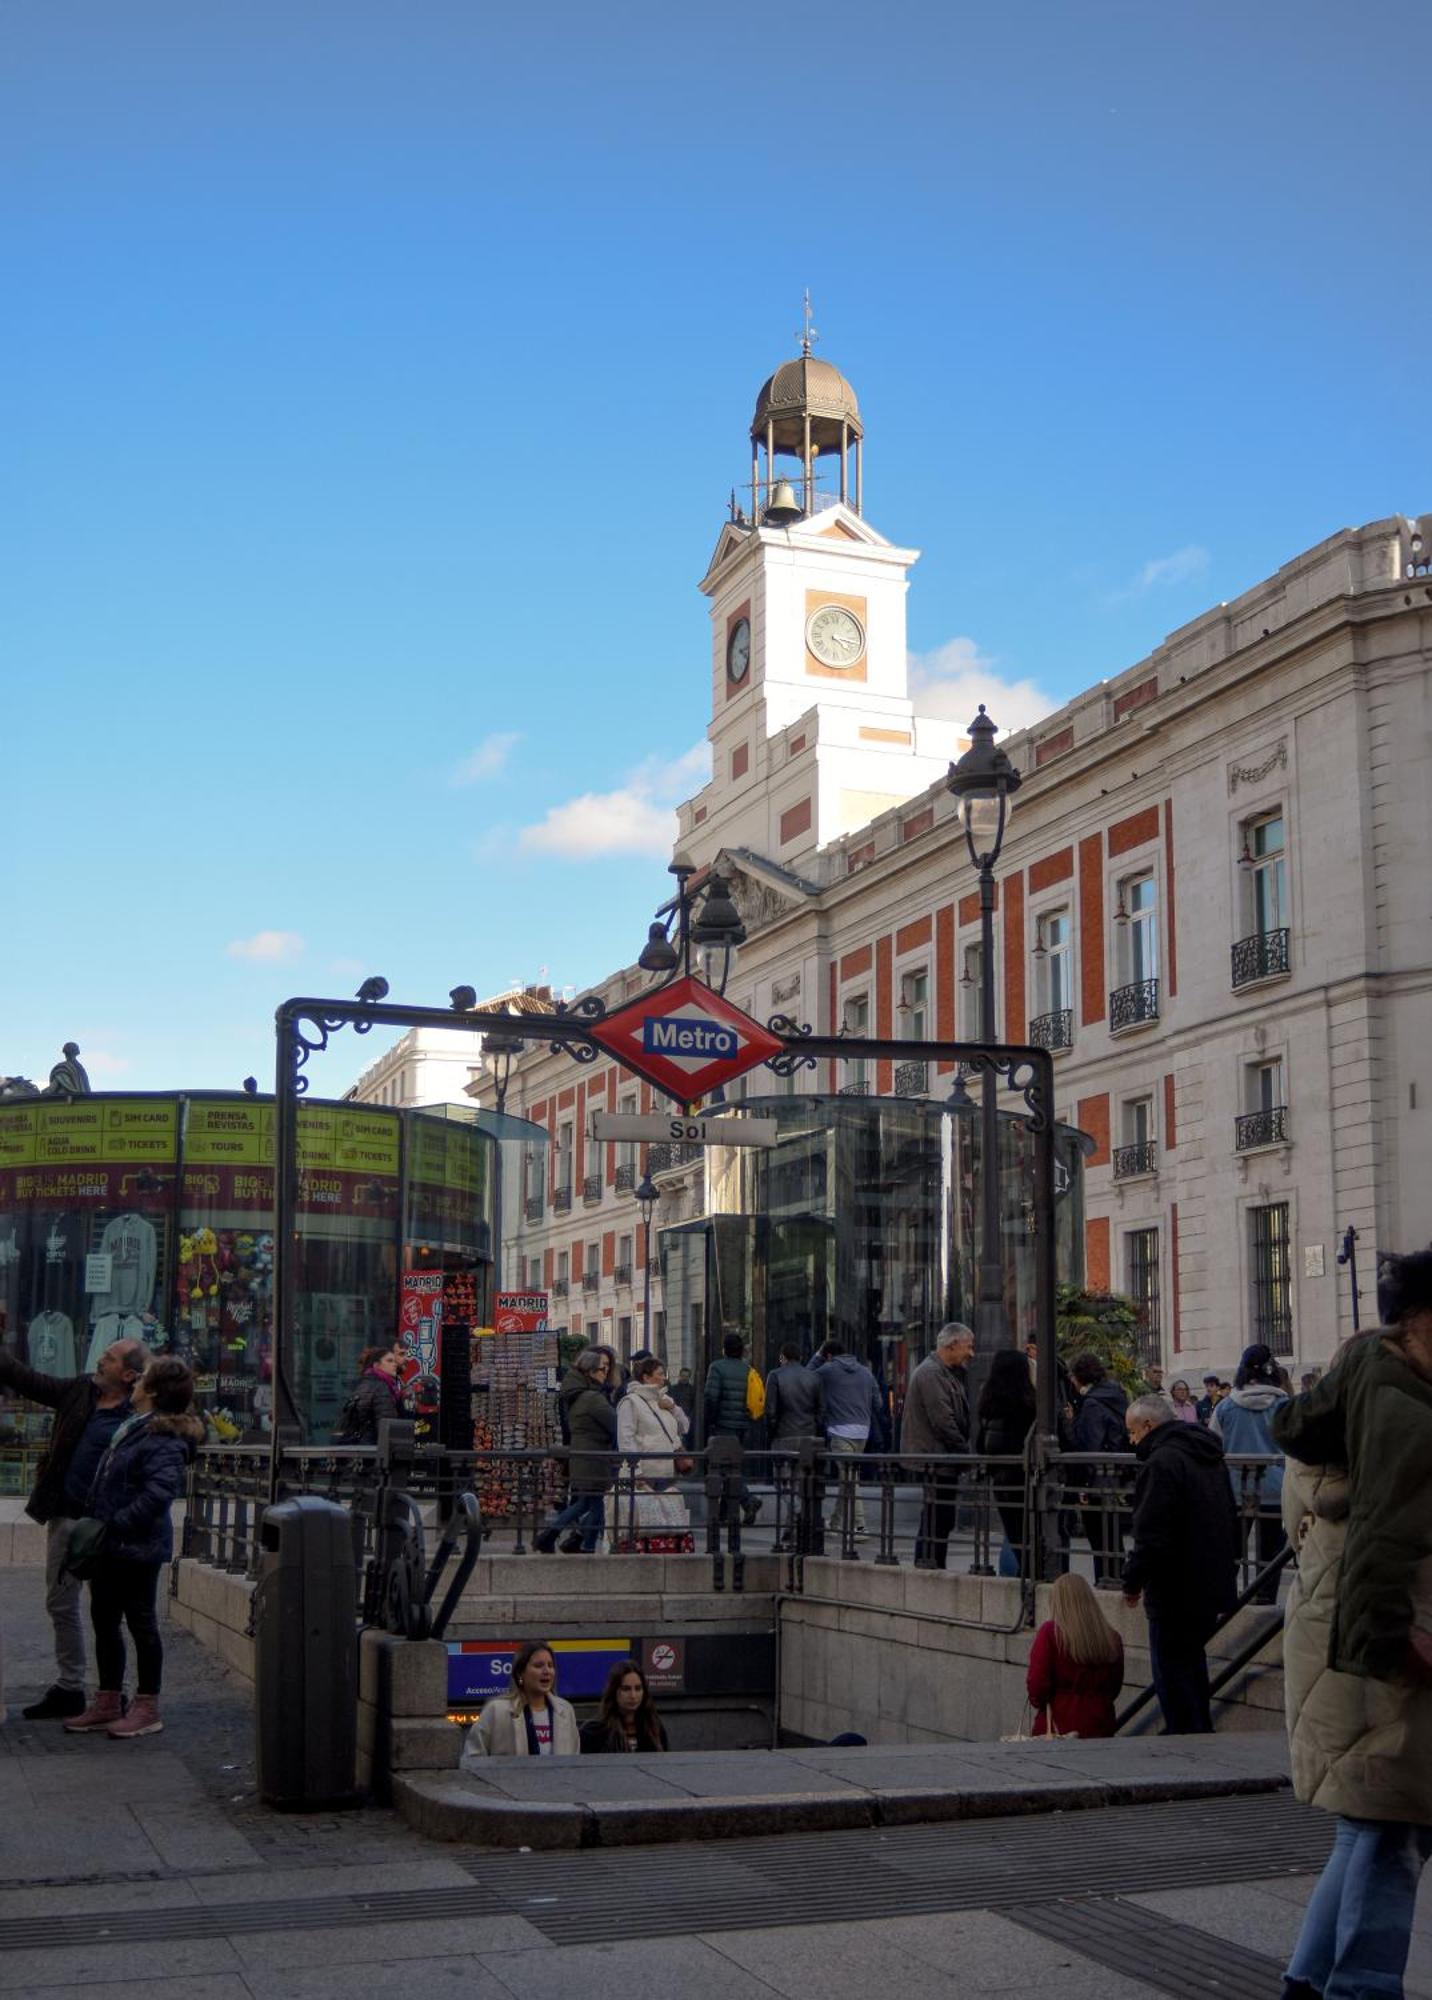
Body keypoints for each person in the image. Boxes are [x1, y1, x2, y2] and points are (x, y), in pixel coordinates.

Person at [1272, 1251, 1432, 2000]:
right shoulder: (1400, 1409)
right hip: (1375, 1648)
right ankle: (1358, 1991)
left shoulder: (1346, 1426)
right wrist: (1392, 1645)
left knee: (1372, 1822)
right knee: (1390, 1828)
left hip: (1341, 1640)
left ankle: (1308, 1981)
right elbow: (1392, 1540)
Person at [0, 1335, 149, 1719]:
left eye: (110, 1357)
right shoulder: (80, 1391)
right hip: (68, 1517)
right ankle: (70, 1687)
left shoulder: (139, 1414)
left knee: (111, 1610)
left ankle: (115, 1692)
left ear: (129, 1374)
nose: (100, 1358)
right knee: (61, 1602)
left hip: (111, 1525)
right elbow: (32, 1381)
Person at [64, 1357, 204, 1739]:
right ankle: (109, 1699)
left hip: (136, 1546)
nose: (137, 1382)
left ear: (154, 1391)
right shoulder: (137, 1425)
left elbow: (158, 1494)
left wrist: (115, 1524)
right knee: (104, 1619)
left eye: (144, 1378)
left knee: (141, 1623)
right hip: (113, 1544)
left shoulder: (163, 1436)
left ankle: (147, 1706)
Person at [1122, 1390, 1240, 1734]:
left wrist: (1133, 1580)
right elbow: (1230, 1516)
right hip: (1210, 1581)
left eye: (1132, 1432)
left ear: (1147, 1426)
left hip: (1174, 1586)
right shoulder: (1207, 1455)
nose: (1131, 1441)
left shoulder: (1161, 1463)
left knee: (1172, 1676)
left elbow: (1151, 1533)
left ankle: (1186, 1746)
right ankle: (1199, 1737)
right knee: (1192, 1665)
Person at [1210, 1342, 1289, 1604]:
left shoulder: (1224, 1407)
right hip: (1275, 1487)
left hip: (1235, 1488)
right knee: (1271, 1550)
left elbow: (1213, 1446)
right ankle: (1265, 1597)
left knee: (1230, 1547)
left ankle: (1224, 1598)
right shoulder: (1284, 1405)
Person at [901, 1324, 974, 1570]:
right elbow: (943, 1420)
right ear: (952, 1345)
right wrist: (965, 1451)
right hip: (936, 1458)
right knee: (937, 1517)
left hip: (941, 1458)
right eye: (968, 1346)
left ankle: (931, 1563)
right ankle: (928, 1564)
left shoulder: (944, 1372)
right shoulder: (931, 1374)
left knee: (940, 1517)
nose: (971, 1353)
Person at [536, 1348, 616, 1553]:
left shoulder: (579, 1395)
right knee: (594, 1503)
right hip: (594, 1457)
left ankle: (570, 1540)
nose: (604, 1373)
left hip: (583, 1456)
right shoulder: (592, 1398)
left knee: (589, 1502)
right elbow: (615, 1423)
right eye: (601, 1369)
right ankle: (561, 1538)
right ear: (589, 1372)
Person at [1026, 1572, 1125, 1738]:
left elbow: (1037, 1685)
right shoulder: (1111, 1638)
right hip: (1100, 1724)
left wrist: (1042, 1702)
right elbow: (1114, 1688)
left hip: (1059, 1725)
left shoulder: (1051, 1634)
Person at [612, 1353, 692, 1553]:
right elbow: (626, 1438)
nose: (664, 1377)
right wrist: (635, 1470)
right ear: (646, 1377)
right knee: (643, 1522)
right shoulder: (630, 1402)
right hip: (644, 1473)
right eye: (660, 1374)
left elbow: (685, 1426)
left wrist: (673, 1408)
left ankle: (662, 1553)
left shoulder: (664, 1399)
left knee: (666, 1522)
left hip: (666, 1471)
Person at [1064, 1353, 1130, 1586]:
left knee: (1100, 1537)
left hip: (1097, 1480)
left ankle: (1106, 1582)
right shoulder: (1116, 1396)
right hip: (1114, 1475)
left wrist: (1083, 1486)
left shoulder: (1092, 1404)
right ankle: (1116, 1578)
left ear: (1080, 1377)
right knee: (1112, 1537)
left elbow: (1088, 1445)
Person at [461, 1640, 580, 1763]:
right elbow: (473, 1758)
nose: (547, 1671)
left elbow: (575, 1761)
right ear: (520, 1673)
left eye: (550, 1665)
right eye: (538, 1665)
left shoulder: (565, 1711)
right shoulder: (496, 1711)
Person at [977, 1346, 1036, 1575]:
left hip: (1001, 1479)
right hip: (1026, 1476)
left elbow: (982, 1444)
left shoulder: (989, 1401)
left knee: (1014, 1534)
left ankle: (1018, 1573)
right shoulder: (1029, 1402)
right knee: (1033, 1534)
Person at [819, 1340, 885, 1543]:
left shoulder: (827, 1370)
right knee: (848, 1477)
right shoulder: (865, 1372)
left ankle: (860, 1525)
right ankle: (836, 1523)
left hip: (839, 1431)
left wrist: (817, 1355)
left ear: (829, 1356)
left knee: (850, 1479)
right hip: (862, 1433)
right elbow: (879, 1403)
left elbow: (805, 1374)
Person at [703, 1331, 761, 1526]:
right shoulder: (748, 1369)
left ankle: (748, 1500)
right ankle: (725, 1514)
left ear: (724, 1349)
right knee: (732, 1466)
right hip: (743, 1426)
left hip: (723, 1425)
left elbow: (711, 1397)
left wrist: (709, 1422)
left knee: (725, 1469)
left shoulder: (717, 1368)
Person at [579, 1659, 670, 1753]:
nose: (633, 1696)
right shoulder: (593, 1731)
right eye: (626, 1689)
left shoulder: (654, 1727)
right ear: (614, 1691)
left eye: (638, 1688)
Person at [332, 1341, 409, 1444]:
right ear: (377, 1365)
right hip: (376, 1450)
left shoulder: (366, 1382)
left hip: (363, 1447)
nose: (394, 1364)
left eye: (394, 1361)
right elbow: (386, 1427)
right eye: (389, 1361)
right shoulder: (382, 1387)